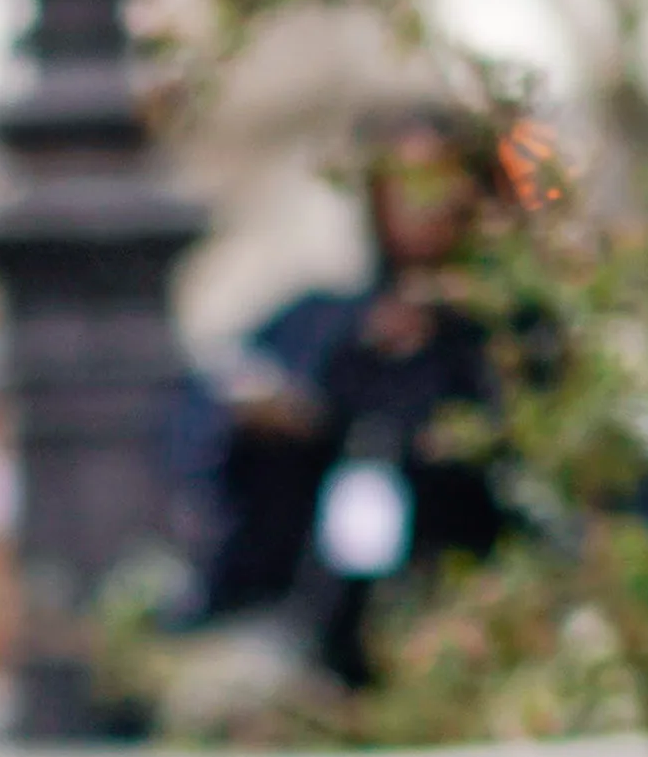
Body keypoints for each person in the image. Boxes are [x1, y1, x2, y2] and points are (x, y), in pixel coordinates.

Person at [194, 110, 516, 687]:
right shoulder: (323, 324)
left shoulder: (510, 333)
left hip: (468, 616)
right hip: (322, 617)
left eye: (437, 182)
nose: (420, 204)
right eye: (403, 184)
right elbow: (217, 434)